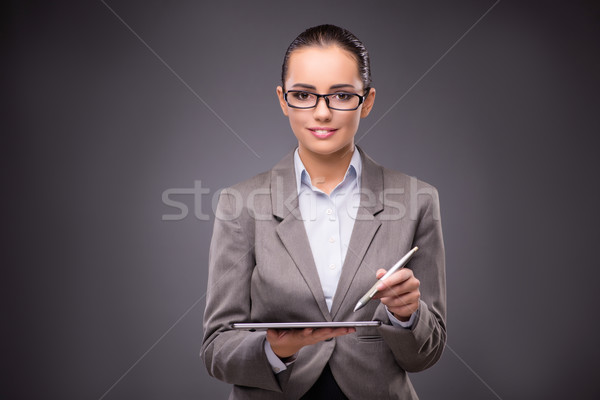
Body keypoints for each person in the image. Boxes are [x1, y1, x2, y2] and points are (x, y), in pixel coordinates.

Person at [201, 24, 446, 400]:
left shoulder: (418, 199)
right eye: (303, 95)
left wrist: (407, 314)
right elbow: (217, 349)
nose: (322, 113)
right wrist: (276, 349)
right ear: (283, 100)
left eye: (342, 95)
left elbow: (427, 354)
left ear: (367, 100)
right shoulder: (239, 204)